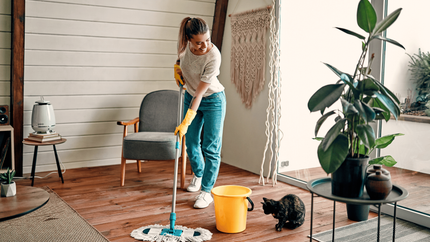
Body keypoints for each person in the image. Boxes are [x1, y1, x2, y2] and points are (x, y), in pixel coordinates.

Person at [174, 17, 226, 209]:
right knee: (192, 142)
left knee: (211, 147)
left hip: (212, 100)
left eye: (207, 39)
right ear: (189, 39)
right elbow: (180, 61)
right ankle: (199, 173)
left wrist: (186, 120)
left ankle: (206, 191)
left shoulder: (214, 56)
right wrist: (176, 69)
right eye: (199, 42)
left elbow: (200, 93)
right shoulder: (183, 46)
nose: (205, 45)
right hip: (190, 96)